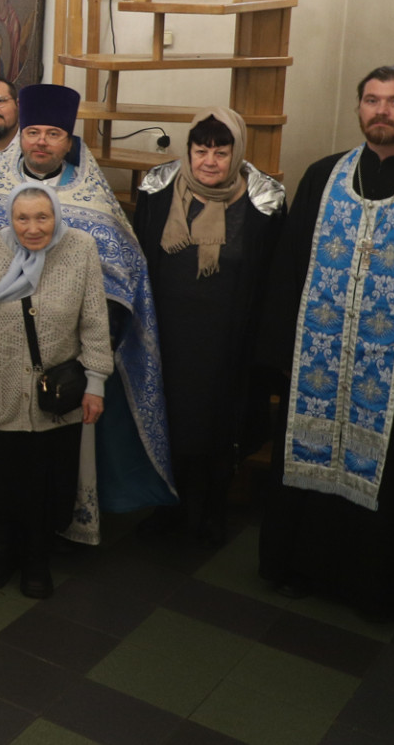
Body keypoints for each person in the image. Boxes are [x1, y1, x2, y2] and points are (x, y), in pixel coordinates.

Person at [257, 66, 394, 619]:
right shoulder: (322, 178)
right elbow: (288, 270)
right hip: (318, 367)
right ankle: (298, 566)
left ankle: (378, 590)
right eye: (372, 100)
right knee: (308, 474)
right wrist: (282, 352)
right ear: (359, 108)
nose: (382, 110)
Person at [0, 84, 174, 540]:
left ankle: (47, 539)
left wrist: (93, 366)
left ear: (68, 142)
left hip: (62, 363)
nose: (41, 142)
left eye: (53, 133)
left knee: (52, 461)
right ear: (21, 136)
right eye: (33, 132)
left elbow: (120, 277)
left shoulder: (93, 202)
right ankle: (0, 536)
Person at [131, 109, 283, 544]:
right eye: (201, 151)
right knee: (170, 420)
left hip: (226, 337)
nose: (210, 161)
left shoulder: (262, 202)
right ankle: (167, 507)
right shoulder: (160, 191)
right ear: (189, 152)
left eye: (221, 151)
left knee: (219, 425)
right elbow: (142, 259)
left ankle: (213, 509)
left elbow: (271, 274)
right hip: (169, 334)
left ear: (236, 153)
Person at [0, 184, 109, 598]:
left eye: (43, 217)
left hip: (55, 397)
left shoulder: (81, 249)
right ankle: (1, 551)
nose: (33, 227)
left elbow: (94, 321)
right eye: (23, 218)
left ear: (57, 215)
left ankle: (37, 558)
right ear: (10, 217)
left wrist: (95, 384)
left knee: (47, 480)